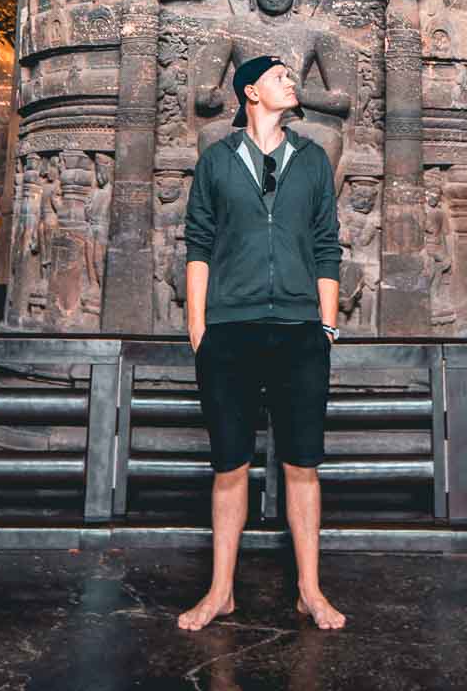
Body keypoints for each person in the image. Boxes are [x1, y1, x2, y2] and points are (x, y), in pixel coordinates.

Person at [176, 53, 345, 633]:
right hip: (229, 329)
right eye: (279, 77)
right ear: (250, 92)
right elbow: (197, 244)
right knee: (230, 465)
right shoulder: (217, 162)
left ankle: (310, 590)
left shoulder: (313, 159)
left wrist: (325, 323)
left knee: (302, 463)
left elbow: (327, 246)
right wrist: (199, 326)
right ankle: (221, 591)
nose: (291, 82)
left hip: (300, 330)